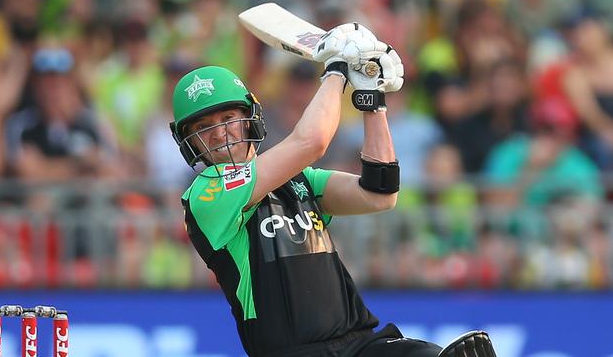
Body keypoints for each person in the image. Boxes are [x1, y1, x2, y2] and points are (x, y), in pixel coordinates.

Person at [170, 24, 496, 357]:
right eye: (203, 127)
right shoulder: (206, 196)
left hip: (359, 343)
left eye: (227, 117)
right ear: (189, 142)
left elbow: (378, 192)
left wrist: (371, 99)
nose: (219, 132)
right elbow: (312, 141)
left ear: (249, 118)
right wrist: (337, 69)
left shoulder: (301, 179)